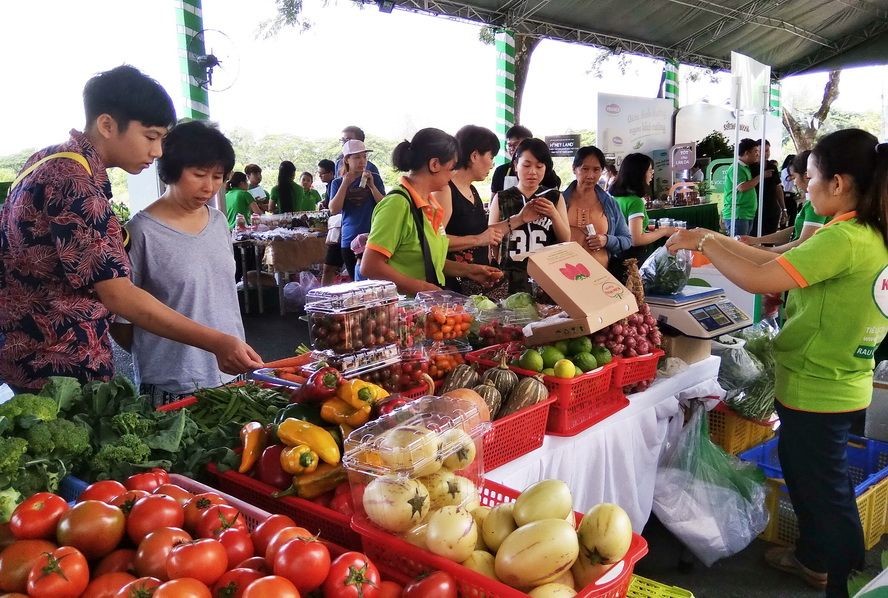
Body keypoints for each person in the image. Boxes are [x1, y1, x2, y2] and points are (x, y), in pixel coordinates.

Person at [665, 128, 888, 598]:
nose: (803, 185)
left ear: (839, 183)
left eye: (809, 177)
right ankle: (814, 560)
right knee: (812, 477)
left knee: (823, 489)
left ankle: (845, 580)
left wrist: (704, 246)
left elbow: (757, 276)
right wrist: (708, 235)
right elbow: (776, 257)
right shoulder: (856, 233)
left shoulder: (845, 239)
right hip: (836, 379)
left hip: (820, 385)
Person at [0, 65, 262, 391]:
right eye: (150, 137)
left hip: (32, 354)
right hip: (58, 367)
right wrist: (218, 342)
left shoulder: (48, 160)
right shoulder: (74, 179)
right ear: (107, 125)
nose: (157, 151)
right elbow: (118, 295)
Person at [111, 121, 249, 405]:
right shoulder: (140, 232)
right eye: (199, 174)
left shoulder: (219, 222)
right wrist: (160, 354)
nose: (209, 187)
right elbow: (120, 320)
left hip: (233, 373)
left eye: (217, 176)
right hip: (172, 385)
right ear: (171, 170)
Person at [362, 128, 502, 295]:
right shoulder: (397, 204)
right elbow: (370, 266)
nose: (454, 174)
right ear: (434, 165)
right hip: (404, 309)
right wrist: (421, 288)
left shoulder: (430, 204)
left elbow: (431, 259)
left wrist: (470, 271)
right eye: (452, 168)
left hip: (425, 307)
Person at [432, 125, 517, 295]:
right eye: (491, 156)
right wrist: (478, 239)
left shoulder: (471, 189)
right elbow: (433, 241)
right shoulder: (445, 190)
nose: (492, 164)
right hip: (453, 287)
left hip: (476, 282)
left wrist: (521, 218)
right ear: (475, 156)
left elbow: (484, 234)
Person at [488, 138, 571, 295]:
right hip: (510, 275)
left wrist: (554, 214)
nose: (533, 172)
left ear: (546, 168)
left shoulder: (554, 197)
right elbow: (490, 236)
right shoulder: (502, 197)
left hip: (546, 276)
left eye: (539, 166)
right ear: (515, 165)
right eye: (526, 165)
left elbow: (565, 239)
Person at [561, 146, 632, 277]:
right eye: (585, 169)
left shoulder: (610, 204)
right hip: (565, 277)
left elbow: (627, 240)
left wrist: (607, 240)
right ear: (574, 169)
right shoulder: (560, 201)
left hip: (601, 277)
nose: (590, 175)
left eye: (596, 170)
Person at [741, 151, 826, 253]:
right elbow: (796, 230)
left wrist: (764, 250)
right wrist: (756, 240)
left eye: (794, 177)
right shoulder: (811, 203)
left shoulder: (817, 205)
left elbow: (804, 241)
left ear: (806, 176)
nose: (794, 182)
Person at [329, 140, 386, 280]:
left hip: (373, 238)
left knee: (375, 284)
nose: (362, 161)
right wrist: (345, 183)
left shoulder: (374, 178)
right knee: (356, 284)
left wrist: (372, 186)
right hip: (349, 239)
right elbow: (334, 209)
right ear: (347, 160)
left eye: (364, 157)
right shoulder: (337, 182)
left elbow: (384, 206)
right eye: (356, 157)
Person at [609, 152, 675, 262]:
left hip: (615, 255)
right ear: (639, 173)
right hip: (632, 259)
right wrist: (664, 231)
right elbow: (636, 239)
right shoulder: (635, 202)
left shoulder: (614, 197)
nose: (652, 174)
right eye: (649, 170)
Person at [491, 125, 560, 194]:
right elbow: (493, 199)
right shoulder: (500, 171)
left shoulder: (547, 172)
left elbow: (555, 197)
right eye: (509, 145)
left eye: (516, 144)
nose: (512, 149)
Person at [722, 138, 762, 236]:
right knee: (738, 246)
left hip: (745, 214)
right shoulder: (736, 168)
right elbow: (742, 187)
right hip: (738, 215)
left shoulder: (745, 167)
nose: (758, 154)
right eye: (755, 151)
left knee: (744, 244)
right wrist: (760, 177)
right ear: (747, 153)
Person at [756, 139, 788, 236]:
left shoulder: (772, 167)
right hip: (755, 209)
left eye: (767, 150)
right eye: (762, 151)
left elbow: (778, 188)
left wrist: (784, 209)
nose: (765, 154)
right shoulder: (751, 167)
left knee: (769, 239)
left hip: (772, 209)